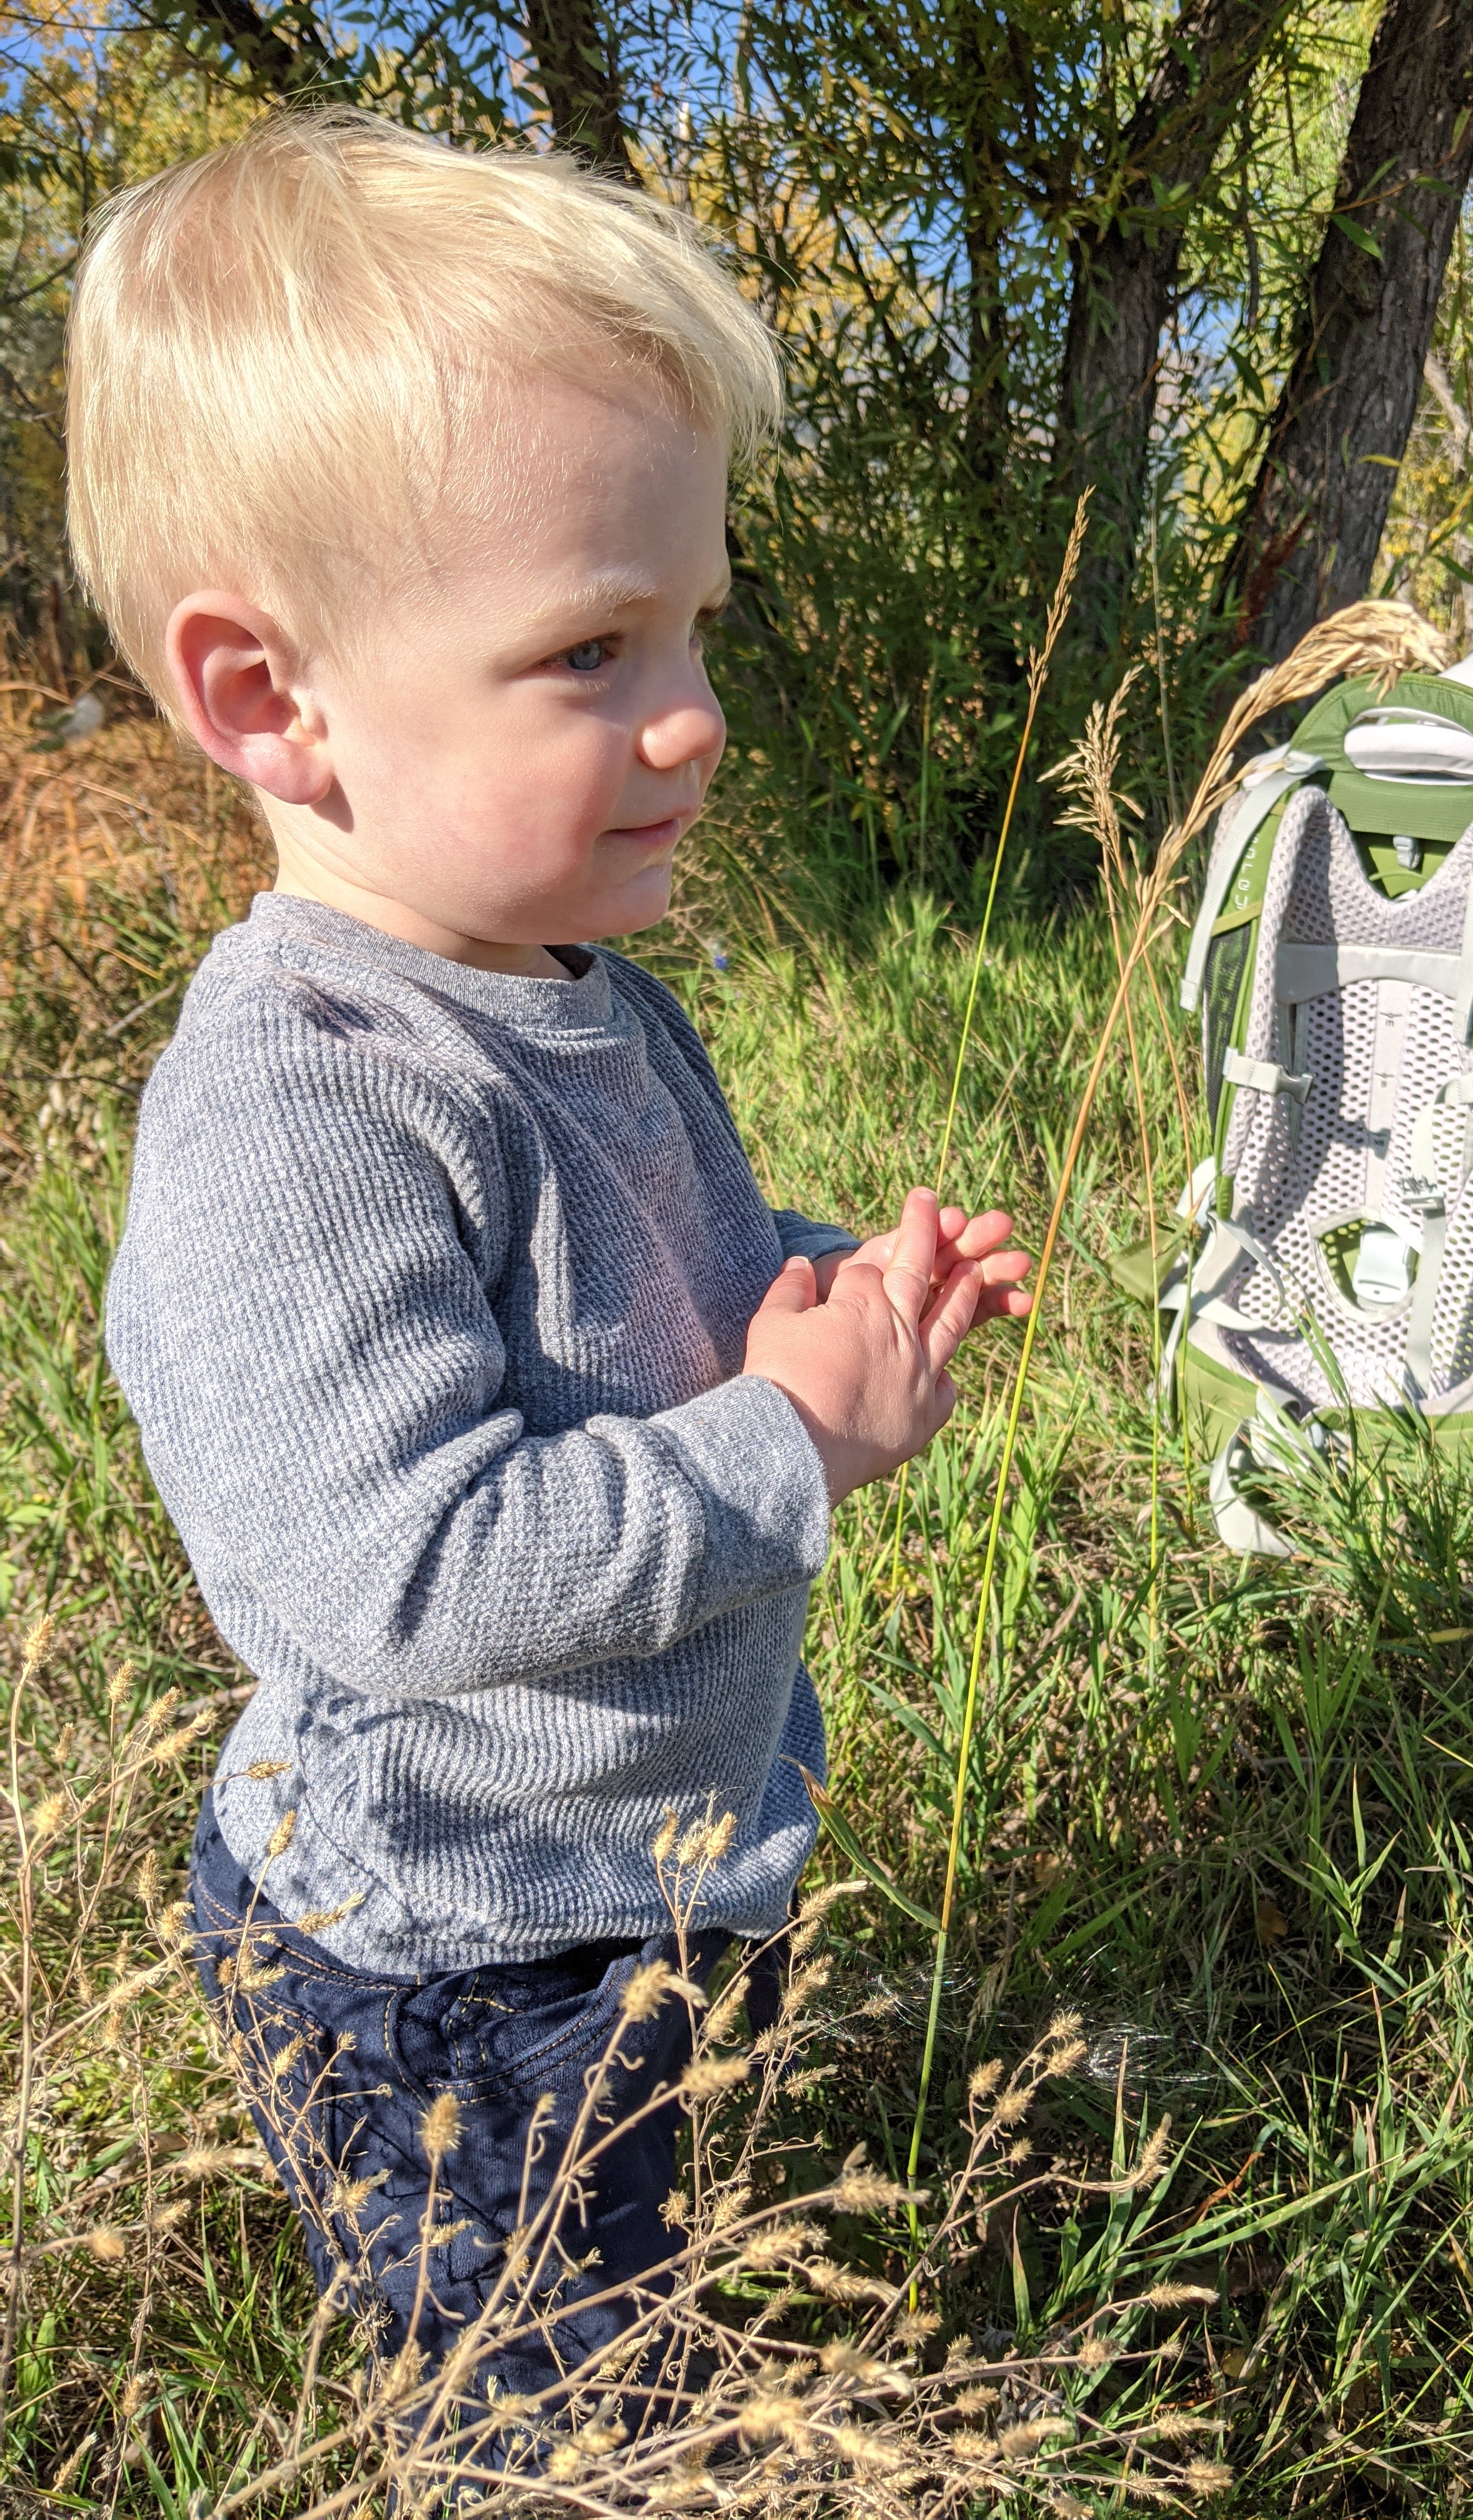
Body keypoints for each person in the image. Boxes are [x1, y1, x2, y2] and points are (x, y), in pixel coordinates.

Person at [66, 111, 1030, 2424]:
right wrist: (789, 1439)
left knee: (642, 2279)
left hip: (626, 1877)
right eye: (592, 647)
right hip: (450, 1958)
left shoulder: (580, 986)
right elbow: (394, 1572)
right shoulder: (300, 1103)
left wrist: (823, 1294)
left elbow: (646, 1289)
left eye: (694, 625)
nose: (693, 711)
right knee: (553, 2422)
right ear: (271, 699)